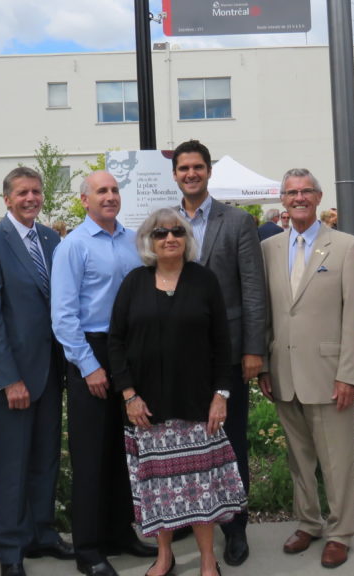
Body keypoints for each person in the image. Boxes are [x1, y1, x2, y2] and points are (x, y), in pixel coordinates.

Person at [108, 208, 246, 576]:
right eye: (160, 233)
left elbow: (222, 343)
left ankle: (207, 559)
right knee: (158, 488)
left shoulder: (204, 281)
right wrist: (129, 395)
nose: (169, 238)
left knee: (201, 486)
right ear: (148, 241)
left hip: (197, 404)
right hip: (146, 407)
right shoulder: (134, 283)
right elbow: (116, 341)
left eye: (177, 232)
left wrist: (221, 394)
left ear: (186, 238)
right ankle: (164, 556)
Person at [0, 169, 73, 576]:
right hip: (12, 379)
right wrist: (9, 378)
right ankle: (10, 549)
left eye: (36, 191)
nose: (31, 198)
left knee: (45, 460)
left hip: (49, 373)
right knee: (10, 467)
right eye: (22, 192)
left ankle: (41, 534)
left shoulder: (50, 239)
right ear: (7, 198)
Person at [259, 169, 354, 570]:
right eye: (291, 192)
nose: (299, 197)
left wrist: (349, 374)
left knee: (337, 462)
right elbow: (266, 312)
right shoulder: (268, 248)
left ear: (319, 197)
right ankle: (309, 522)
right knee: (299, 459)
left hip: (329, 373)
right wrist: (264, 365)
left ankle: (340, 533)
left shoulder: (347, 247)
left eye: (306, 191)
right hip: (283, 372)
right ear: (283, 200)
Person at [51, 171, 155, 576]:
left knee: (122, 450)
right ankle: (89, 549)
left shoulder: (133, 241)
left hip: (127, 353)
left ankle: (119, 533)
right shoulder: (73, 246)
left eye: (114, 190)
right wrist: (89, 366)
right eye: (101, 191)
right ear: (85, 200)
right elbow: (63, 316)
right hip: (90, 354)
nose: (110, 196)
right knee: (91, 456)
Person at [171, 139, 265, 567]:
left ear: (209, 171)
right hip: (179, 354)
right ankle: (192, 517)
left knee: (230, 441)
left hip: (227, 352)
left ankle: (235, 526)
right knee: (185, 440)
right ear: (175, 174)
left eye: (197, 167)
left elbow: (253, 290)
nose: (191, 173)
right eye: (183, 168)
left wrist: (253, 349)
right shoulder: (166, 222)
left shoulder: (238, 221)